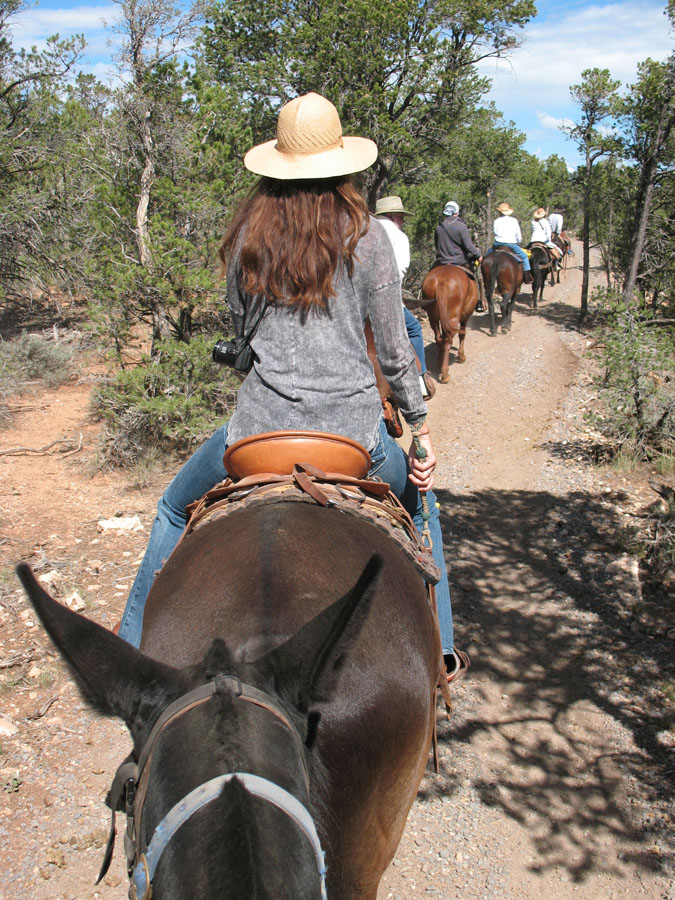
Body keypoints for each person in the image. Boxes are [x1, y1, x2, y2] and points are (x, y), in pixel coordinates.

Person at [117, 92, 469, 684]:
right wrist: (419, 426)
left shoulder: (250, 233)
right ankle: (441, 656)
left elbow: (240, 328)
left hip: (257, 434)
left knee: (174, 508)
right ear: (345, 164)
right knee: (421, 506)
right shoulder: (370, 237)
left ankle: (130, 648)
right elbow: (392, 349)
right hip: (354, 438)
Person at [374, 195, 434, 400]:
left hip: (355, 299)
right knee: (415, 329)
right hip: (385, 299)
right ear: (392, 215)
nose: (402, 221)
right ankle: (419, 378)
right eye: (401, 217)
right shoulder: (399, 237)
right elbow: (399, 270)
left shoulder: (363, 231)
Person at [434, 200, 484, 309]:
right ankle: (479, 302)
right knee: (475, 277)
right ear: (457, 212)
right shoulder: (461, 226)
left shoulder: (439, 227)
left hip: (441, 261)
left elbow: (437, 246)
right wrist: (478, 255)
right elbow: (468, 246)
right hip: (459, 261)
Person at [492, 201, 533, 284]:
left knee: (485, 256)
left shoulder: (496, 221)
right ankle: (527, 277)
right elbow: (518, 236)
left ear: (500, 212)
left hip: (498, 244)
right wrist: (518, 242)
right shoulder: (514, 221)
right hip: (511, 245)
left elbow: (495, 233)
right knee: (524, 257)